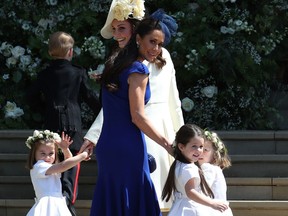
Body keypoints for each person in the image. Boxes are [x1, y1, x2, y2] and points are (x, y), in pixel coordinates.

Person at [82, 0, 184, 209]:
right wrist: (171, 144)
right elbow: (131, 111)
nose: (117, 34)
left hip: (138, 134)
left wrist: (179, 135)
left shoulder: (122, 61)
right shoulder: (130, 64)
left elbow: (173, 101)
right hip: (137, 134)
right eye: (115, 29)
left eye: (122, 28)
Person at [26, 31, 101, 216]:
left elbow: (30, 98)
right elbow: (91, 99)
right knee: (70, 172)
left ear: (51, 52)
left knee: (54, 168)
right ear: (70, 52)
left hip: (51, 129)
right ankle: (67, 206)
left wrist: (45, 108)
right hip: (73, 129)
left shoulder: (45, 74)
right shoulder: (77, 72)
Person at [162, 124, 229, 216]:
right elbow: (190, 192)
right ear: (181, 147)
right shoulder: (189, 168)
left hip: (179, 207)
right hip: (190, 209)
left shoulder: (178, 163)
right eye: (194, 146)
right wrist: (212, 203)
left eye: (201, 147)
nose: (198, 150)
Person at [25, 130, 89, 216]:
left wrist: (65, 149)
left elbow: (68, 161)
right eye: (43, 153)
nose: (47, 157)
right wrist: (83, 155)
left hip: (58, 202)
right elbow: (64, 165)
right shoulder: (39, 166)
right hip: (47, 206)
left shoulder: (51, 167)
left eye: (51, 153)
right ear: (34, 153)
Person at [198, 130, 234, 216]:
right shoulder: (215, 168)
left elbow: (202, 189)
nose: (200, 152)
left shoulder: (208, 168)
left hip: (212, 210)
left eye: (205, 150)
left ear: (214, 154)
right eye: (199, 147)